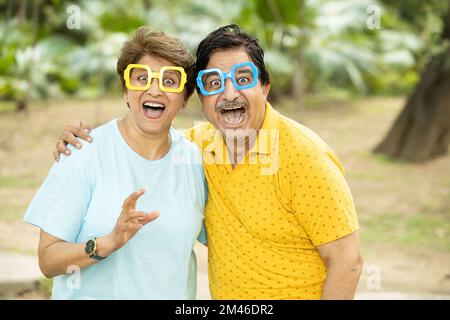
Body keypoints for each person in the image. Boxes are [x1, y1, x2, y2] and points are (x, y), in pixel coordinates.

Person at [53, 25, 363, 300]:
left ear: (264, 88)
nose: (229, 93)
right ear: (201, 98)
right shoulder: (197, 147)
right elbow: (148, 134)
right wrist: (82, 139)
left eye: (243, 78)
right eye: (214, 83)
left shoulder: (304, 156)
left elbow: (347, 261)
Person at [23, 27, 207, 299]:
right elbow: (48, 261)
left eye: (170, 81)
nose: (154, 90)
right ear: (126, 91)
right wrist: (106, 243)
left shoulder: (196, 162)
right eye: (141, 78)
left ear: (184, 98)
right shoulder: (83, 152)